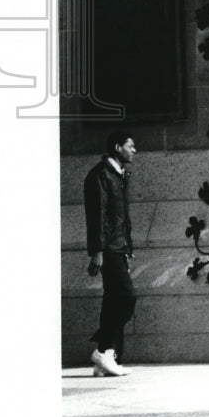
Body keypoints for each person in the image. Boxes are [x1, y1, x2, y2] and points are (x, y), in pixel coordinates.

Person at [84, 131, 138, 377]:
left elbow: (121, 216)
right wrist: (97, 251)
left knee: (112, 301)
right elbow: (97, 215)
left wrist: (128, 247)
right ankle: (105, 352)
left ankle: (104, 357)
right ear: (118, 147)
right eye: (130, 146)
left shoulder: (118, 174)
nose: (134, 150)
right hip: (108, 249)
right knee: (127, 297)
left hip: (119, 247)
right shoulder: (101, 175)